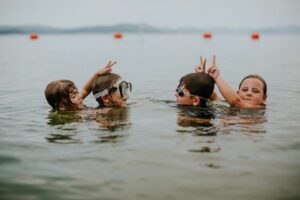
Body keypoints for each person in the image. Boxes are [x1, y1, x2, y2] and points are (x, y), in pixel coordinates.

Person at [45, 61, 116, 111]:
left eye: (77, 93)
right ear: (61, 106)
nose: (79, 96)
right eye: (73, 96)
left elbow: (86, 89)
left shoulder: (73, 105)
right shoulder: (76, 116)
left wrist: (97, 74)